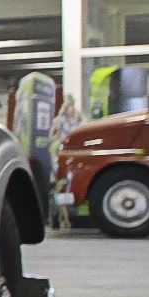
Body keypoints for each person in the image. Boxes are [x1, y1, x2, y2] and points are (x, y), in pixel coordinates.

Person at [49, 94, 84, 229]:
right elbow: (53, 138)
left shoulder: (79, 120)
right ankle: (61, 218)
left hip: (74, 157)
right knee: (59, 187)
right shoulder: (59, 121)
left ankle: (68, 218)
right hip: (61, 155)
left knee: (68, 186)